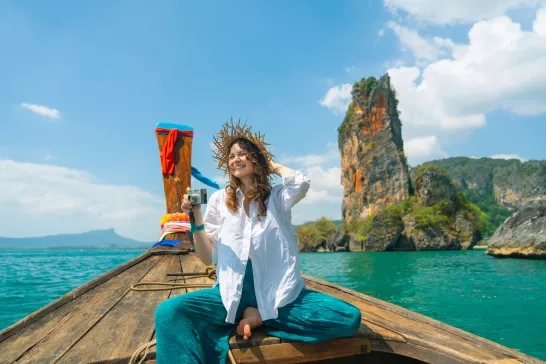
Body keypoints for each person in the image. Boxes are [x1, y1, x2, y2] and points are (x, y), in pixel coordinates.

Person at [154, 120, 361, 364]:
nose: (236, 159)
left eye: (243, 154)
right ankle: (247, 313)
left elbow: (300, 182)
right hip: (230, 294)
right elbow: (209, 257)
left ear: (256, 159)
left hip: (276, 295)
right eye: (232, 156)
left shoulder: (277, 198)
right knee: (169, 312)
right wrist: (195, 216)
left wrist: (269, 163)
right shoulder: (220, 200)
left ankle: (260, 316)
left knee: (348, 317)